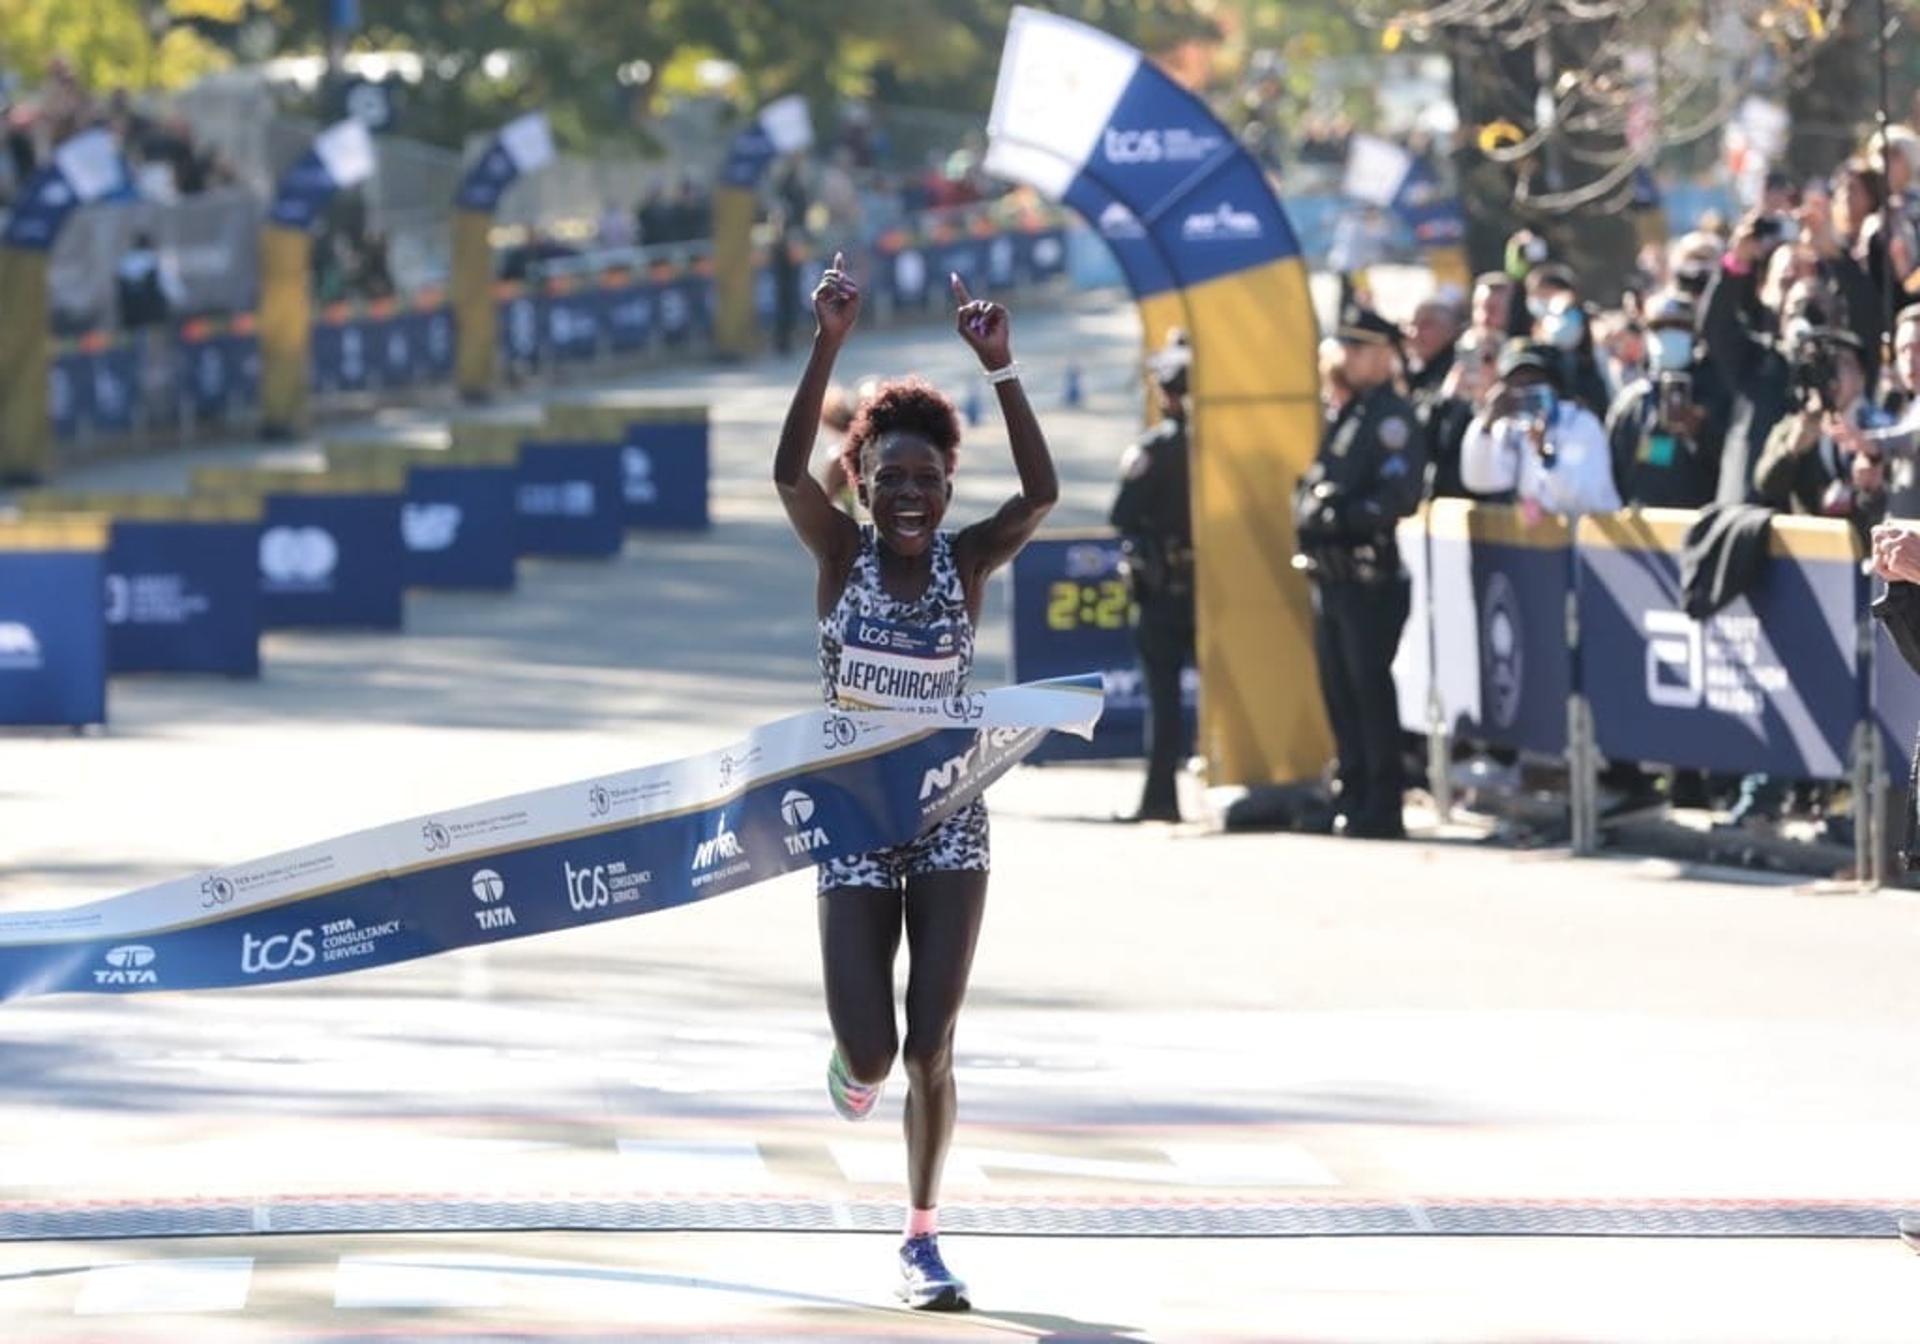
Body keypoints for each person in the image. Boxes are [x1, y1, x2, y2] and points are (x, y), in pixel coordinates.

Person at [771, 252, 1057, 1312]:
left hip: (947, 823)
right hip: (854, 819)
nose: (907, 498)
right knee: (876, 1048)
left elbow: (1042, 492)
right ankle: (850, 1068)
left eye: (926, 483)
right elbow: (784, 477)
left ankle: (923, 1237)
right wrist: (826, 344)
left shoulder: (967, 562)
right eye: (888, 479)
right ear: (864, 482)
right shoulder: (838, 555)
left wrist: (1004, 371)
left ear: (946, 491)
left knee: (934, 1043)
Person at [1294, 308, 1425, 840]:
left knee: (1369, 691)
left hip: (1369, 573)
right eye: (1343, 347)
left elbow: (1398, 494)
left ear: (1381, 354)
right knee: (1340, 691)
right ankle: (1351, 790)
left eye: (1357, 349)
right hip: (1332, 575)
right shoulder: (1351, 414)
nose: (1345, 358)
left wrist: (1340, 514)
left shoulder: (1392, 416)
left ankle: (1382, 802)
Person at [1109, 329, 1195, 823]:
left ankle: (1161, 797)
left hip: (1163, 591)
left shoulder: (1155, 450)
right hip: (1217, 589)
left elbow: (1122, 514)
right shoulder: (1221, 447)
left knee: (1163, 701)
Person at [1460, 342, 1623, 516]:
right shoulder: (1508, 427)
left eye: (1533, 380)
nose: (1524, 389)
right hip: (1537, 539)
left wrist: (1545, 455)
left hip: (1586, 538)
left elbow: (1587, 499)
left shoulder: (1580, 423)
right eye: (1515, 382)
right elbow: (1478, 481)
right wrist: (1487, 423)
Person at [1606, 290, 1729, 507]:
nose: (1669, 334)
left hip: (1701, 528)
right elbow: (1612, 471)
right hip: (1646, 530)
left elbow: (1734, 466)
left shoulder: (1720, 394)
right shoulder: (1632, 402)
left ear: (1695, 332)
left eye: (1678, 327)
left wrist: (1701, 431)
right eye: (1659, 327)